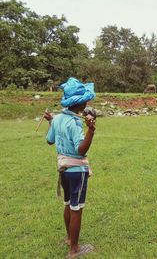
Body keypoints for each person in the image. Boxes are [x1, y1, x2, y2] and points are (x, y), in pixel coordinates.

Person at [44, 77, 96, 258]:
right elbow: (80, 150)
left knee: (68, 204)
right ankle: (74, 249)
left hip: (63, 170)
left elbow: (50, 140)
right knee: (77, 208)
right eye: (85, 101)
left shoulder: (57, 118)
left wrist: (51, 122)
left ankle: (69, 239)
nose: (87, 103)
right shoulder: (75, 123)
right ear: (80, 103)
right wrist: (91, 130)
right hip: (76, 171)